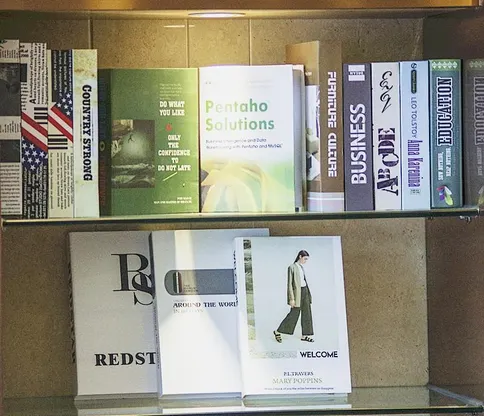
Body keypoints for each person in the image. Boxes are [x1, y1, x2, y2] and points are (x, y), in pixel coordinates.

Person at [273, 250, 314, 343]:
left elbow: (304, 281)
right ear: (300, 256)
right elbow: (290, 284)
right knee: (294, 314)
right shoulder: (291, 267)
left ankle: (305, 335)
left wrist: (308, 294)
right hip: (297, 294)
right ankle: (278, 331)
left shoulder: (301, 267)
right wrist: (292, 298)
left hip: (305, 291)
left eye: (307, 259)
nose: (306, 261)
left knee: (307, 314)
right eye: (305, 259)